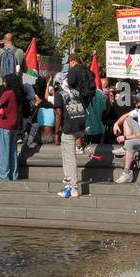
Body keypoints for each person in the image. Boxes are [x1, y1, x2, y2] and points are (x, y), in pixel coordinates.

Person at [54, 68, 88, 198]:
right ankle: (68, 179)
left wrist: (56, 131)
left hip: (68, 128)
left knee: (70, 157)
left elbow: (58, 113)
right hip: (79, 126)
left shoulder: (59, 94)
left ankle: (72, 188)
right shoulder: (76, 92)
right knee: (66, 152)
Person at [0, 74, 21, 181]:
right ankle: (14, 174)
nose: (4, 83)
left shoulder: (7, 93)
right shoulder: (17, 93)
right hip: (14, 125)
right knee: (13, 151)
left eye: (5, 81)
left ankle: (3, 175)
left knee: (4, 150)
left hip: (4, 124)